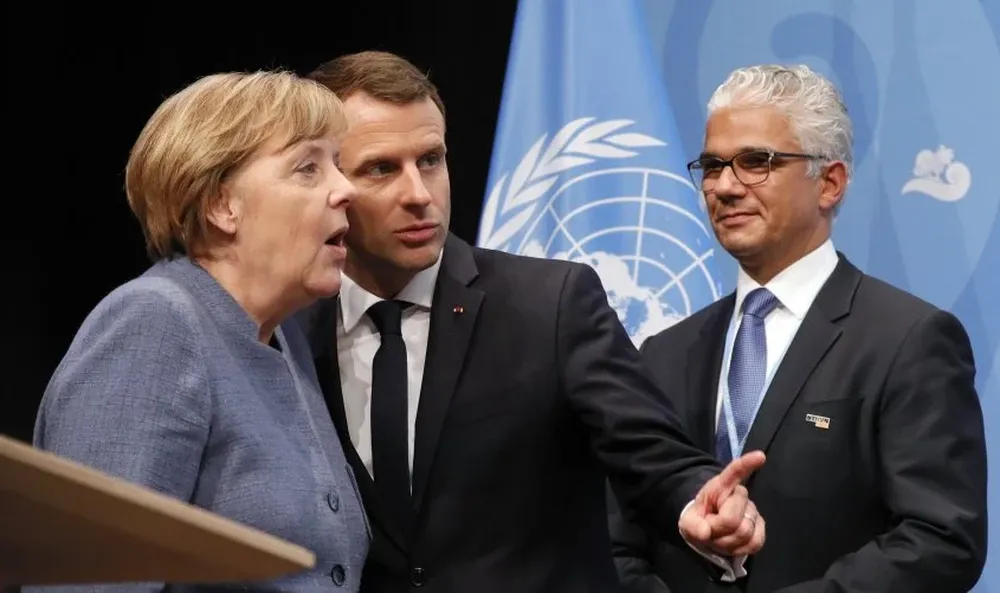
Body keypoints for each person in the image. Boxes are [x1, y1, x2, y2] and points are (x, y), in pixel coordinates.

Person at [295, 50, 767, 593]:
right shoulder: (288, 325)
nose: (420, 195)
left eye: (430, 160)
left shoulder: (552, 303)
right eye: (381, 169)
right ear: (325, 181)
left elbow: (653, 453)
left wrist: (697, 502)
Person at [609, 64, 988, 593]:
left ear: (829, 183)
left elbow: (942, 539)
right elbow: (616, 541)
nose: (723, 186)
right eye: (713, 166)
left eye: (755, 162)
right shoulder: (663, 353)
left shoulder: (910, 340)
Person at [30, 71, 369, 592]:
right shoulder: (153, 325)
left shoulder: (285, 338)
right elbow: (89, 581)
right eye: (307, 168)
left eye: (339, 167)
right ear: (220, 206)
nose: (346, 190)